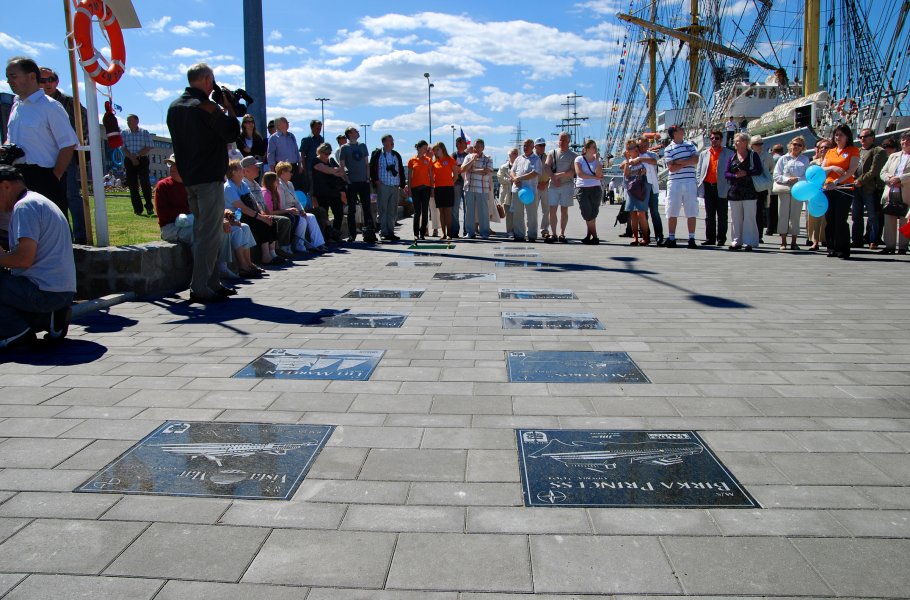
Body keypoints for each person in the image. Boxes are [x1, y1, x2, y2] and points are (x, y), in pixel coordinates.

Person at [167, 62, 240, 304]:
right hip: (209, 176)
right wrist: (228, 107)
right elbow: (231, 132)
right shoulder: (206, 106)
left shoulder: (174, 107)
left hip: (190, 177)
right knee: (210, 233)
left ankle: (211, 282)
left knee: (203, 230)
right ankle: (201, 287)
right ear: (208, 80)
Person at [0, 165, 75, 349]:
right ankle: (50, 318)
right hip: (60, 290)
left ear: (5, 186)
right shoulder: (38, 201)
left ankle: (16, 332)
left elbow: (24, 259)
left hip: (44, 292)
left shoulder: (24, 208)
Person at [154, 154, 253, 280]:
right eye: (170, 165)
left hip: (193, 221)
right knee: (200, 232)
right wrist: (192, 212)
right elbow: (164, 214)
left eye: (176, 165)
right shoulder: (163, 186)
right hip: (171, 227)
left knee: (223, 229)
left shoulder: (193, 186)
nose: (172, 168)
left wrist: (222, 216)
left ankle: (222, 268)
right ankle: (202, 276)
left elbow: (207, 206)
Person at [4, 56, 77, 220]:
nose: (9, 81)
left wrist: (54, 176)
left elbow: (68, 144)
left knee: (50, 225)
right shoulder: (16, 106)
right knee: (25, 226)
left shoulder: (49, 106)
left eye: (13, 76)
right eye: (7, 77)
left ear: (31, 77)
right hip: (18, 176)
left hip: (44, 176)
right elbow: (11, 139)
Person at [38, 66, 88, 245]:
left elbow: (85, 122)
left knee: (70, 195)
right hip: (43, 156)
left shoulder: (68, 102)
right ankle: (59, 235)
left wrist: (78, 144)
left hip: (65, 154)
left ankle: (80, 236)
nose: (47, 84)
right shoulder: (33, 103)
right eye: (42, 80)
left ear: (56, 81)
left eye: (50, 79)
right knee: (48, 197)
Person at [224, 159, 282, 267]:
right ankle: (265, 256)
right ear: (233, 172)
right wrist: (260, 217)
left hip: (248, 214)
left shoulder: (243, 184)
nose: (243, 170)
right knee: (260, 222)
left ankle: (273, 253)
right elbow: (242, 207)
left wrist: (262, 214)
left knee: (271, 220)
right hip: (235, 216)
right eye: (240, 168)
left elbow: (253, 201)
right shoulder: (228, 187)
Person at [820, 124, 860, 259]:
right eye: (836, 135)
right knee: (829, 219)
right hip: (828, 188)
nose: (838, 137)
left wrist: (836, 182)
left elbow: (851, 170)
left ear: (847, 136)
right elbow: (822, 169)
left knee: (840, 219)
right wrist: (833, 167)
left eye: (841, 135)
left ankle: (842, 248)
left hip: (844, 188)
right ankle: (831, 247)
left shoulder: (853, 150)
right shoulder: (830, 151)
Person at [243, 157, 293, 259]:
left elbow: (263, 203)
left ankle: (277, 250)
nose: (258, 169)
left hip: (262, 213)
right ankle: (276, 250)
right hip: (253, 215)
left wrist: (267, 214)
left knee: (277, 219)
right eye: (255, 167)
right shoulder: (244, 184)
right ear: (246, 170)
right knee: (282, 220)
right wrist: (264, 215)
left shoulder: (255, 183)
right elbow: (251, 204)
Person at [272, 162, 327, 253]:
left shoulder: (290, 184)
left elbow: (297, 201)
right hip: (287, 210)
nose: (291, 173)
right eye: (289, 171)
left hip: (295, 210)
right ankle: (299, 245)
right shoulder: (279, 185)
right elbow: (281, 204)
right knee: (302, 220)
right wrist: (294, 211)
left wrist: (301, 210)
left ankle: (318, 243)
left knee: (311, 217)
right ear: (282, 172)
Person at [663, 125, 700, 248]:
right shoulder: (669, 149)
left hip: (689, 181)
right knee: (672, 209)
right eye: (679, 129)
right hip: (675, 182)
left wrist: (679, 162)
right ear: (674, 133)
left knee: (691, 209)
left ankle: (692, 238)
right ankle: (672, 237)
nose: (683, 130)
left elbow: (695, 160)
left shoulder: (690, 145)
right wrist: (687, 161)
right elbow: (671, 168)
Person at [724, 132, 762, 251]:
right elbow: (726, 173)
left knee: (749, 217)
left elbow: (758, 170)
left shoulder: (753, 155)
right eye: (735, 141)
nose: (735, 143)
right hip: (735, 190)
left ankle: (749, 241)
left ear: (745, 142)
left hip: (749, 190)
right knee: (736, 217)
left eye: (738, 141)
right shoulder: (732, 157)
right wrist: (735, 176)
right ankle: (736, 240)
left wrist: (746, 173)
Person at [339, 126, 376, 243]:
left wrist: (367, 178)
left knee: (367, 208)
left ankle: (369, 233)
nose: (358, 132)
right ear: (350, 134)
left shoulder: (362, 146)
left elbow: (366, 163)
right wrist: (347, 179)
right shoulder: (344, 148)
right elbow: (342, 165)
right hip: (352, 182)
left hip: (363, 182)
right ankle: (352, 235)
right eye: (356, 131)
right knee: (352, 209)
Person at [696, 131, 733, 246]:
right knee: (709, 215)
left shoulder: (729, 153)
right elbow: (699, 170)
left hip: (721, 186)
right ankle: (710, 238)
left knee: (722, 215)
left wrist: (729, 185)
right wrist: (699, 182)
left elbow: (732, 170)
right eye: (712, 138)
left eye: (717, 138)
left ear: (721, 140)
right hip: (708, 186)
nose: (714, 140)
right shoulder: (704, 154)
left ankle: (721, 238)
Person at [772, 136, 809, 250]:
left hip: (798, 190)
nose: (796, 147)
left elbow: (807, 176)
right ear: (790, 145)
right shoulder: (783, 159)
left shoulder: (805, 160)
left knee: (795, 215)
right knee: (782, 214)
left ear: (803, 147)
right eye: (794, 144)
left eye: (799, 145)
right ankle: (783, 241)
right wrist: (787, 179)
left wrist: (797, 179)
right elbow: (776, 175)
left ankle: (794, 241)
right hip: (785, 189)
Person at [853, 128, 887, 250]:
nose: (862, 139)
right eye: (860, 137)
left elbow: (874, 170)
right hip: (856, 188)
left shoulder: (878, 151)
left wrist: (860, 181)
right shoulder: (857, 151)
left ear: (873, 137)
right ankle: (857, 240)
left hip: (870, 188)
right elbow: (853, 167)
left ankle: (873, 239)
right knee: (856, 216)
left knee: (873, 216)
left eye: (865, 136)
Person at [878, 131, 910, 255]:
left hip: (906, 191)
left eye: (907, 140)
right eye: (903, 140)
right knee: (889, 217)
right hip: (891, 191)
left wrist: (900, 179)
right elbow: (883, 172)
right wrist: (890, 179)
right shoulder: (894, 156)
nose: (905, 142)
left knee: (904, 219)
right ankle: (889, 246)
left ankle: (902, 246)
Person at [369, 134, 406, 242]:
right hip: (383, 185)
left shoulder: (396, 155)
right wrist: (375, 180)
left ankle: (391, 232)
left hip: (394, 185)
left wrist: (402, 183)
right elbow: (372, 167)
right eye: (390, 141)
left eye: (393, 141)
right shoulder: (377, 154)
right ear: (384, 143)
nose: (393, 143)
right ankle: (384, 232)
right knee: (383, 209)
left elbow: (401, 170)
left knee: (393, 210)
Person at [545, 132, 577, 243]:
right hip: (553, 185)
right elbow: (546, 166)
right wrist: (554, 178)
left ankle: (562, 233)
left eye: (563, 140)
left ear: (568, 141)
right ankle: (553, 233)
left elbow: (573, 171)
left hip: (567, 185)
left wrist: (559, 175)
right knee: (552, 210)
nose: (561, 142)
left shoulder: (573, 155)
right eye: (560, 140)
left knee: (564, 210)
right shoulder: (551, 153)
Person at [121, 114, 155, 216]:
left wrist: (137, 155)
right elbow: (122, 147)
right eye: (127, 121)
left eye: (130, 120)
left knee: (145, 183)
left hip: (142, 160)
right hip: (129, 161)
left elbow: (149, 146)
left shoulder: (144, 132)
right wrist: (132, 158)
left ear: (136, 121)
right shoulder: (124, 133)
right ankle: (138, 209)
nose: (128, 122)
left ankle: (149, 206)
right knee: (132, 185)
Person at [312, 143, 347, 239]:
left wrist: (336, 170)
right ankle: (325, 236)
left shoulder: (331, 161)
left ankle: (336, 233)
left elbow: (341, 172)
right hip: (321, 192)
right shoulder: (315, 161)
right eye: (325, 153)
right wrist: (335, 170)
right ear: (320, 152)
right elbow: (326, 170)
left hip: (333, 192)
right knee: (324, 214)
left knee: (339, 213)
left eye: (329, 153)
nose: (327, 155)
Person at [461, 139, 494, 239]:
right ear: (473, 147)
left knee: (483, 211)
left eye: (480, 146)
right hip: (469, 188)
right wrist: (472, 161)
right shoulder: (468, 157)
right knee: (469, 211)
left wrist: (472, 170)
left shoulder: (488, 158)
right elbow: (463, 169)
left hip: (482, 189)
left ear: (483, 148)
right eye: (476, 146)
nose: (477, 149)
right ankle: (470, 232)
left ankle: (484, 232)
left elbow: (486, 171)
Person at [509, 138, 541, 242]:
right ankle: (519, 235)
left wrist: (520, 178)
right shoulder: (518, 158)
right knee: (518, 214)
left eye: (527, 145)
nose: (525, 147)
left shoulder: (536, 159)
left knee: (531, 214)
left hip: (530, 191)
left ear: (533, 147)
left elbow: (535, 173)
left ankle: (532, 236)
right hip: (517, 190)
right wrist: (514, 178)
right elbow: (512, 171)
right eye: (524, 145)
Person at [574, 139, 603, 245]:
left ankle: (588, 236)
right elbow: (580, 174)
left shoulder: (597, 160)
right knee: (586, 212)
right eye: (593, 147)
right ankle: (595, 237)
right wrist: (594, 177)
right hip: (582, 188)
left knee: (592, 213)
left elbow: (599, 174)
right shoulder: (579, 159)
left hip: (595, 189)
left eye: (596, 147)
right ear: (586, 149)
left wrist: (598, 160)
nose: (595, 149)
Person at [637, 137, 664, 246]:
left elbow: (654, 161)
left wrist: (641, 159)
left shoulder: (651, 154)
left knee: (655, 212)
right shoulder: (635, 155)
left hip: (652, 187)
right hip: (640, 188)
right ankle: (645, 235)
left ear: (648, 145)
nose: (643, 148)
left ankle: (659, 236)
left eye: (644, 146)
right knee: (643, 214)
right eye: (640, 146)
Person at [622, 139, 649, 246]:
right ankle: (635, 238)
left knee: (641, 213)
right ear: (628, 151)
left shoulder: (642, 159)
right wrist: (627, 160)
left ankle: (646, 237)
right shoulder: (627, 162)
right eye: (632, 148)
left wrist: (640, 170)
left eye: (636, 147)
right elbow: (626, 174)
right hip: (630, 189)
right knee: (632, 214)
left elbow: (645, 170)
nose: (636, 149)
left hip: (640, 187)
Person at [430, 141, 458, 242]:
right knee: (441, 212)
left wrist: (450, 183)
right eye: (434, 150)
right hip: (438, 189)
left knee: (448, 212)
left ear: (442, 149)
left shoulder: (450, 160)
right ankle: (443, 233)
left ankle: (449, 234)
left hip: (448, 188)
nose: (436, 151)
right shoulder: (434, 163)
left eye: (437, 149)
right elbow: (431, 177)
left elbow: (455, 175)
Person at [806, 139, 831, 250]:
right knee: (813, 217)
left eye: (826, 147)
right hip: (814, 193)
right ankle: (814, 241)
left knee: (825, 219)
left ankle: (825, 239)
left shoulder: (832, 163)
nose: (823, 149)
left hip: (828, 192)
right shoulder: (813, 163)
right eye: (821, 147)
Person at [408, 140, 433, 241]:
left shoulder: (428, 160)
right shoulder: (411, 160)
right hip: (415, 189)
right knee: (417, 212)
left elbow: (431, 176)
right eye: (424, 148)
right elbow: (409, 177)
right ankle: (416, 233)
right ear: (418, 148)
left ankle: (423, 233)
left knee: (425, 211)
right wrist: (409, 189)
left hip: (426, 188)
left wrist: (432, 188)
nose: (425, 150)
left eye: (426, 149)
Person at [266, 116, 301, 187]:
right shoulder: (273, 138)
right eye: (285, 122)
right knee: (283, 188)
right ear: (278, 125)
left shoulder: (291, 136)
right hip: (282, 169)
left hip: (294, 167)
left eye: (287, 122)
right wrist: (273, 171)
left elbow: (296, 151)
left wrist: (300, 165)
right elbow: (271, 155)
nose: (287, 124)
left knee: (295, 188)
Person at [533, 138, 552, 240]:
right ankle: (532, 230)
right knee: (532, 210)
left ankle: (544, 230)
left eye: (543, 145)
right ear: (535, 147)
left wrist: (547, 182)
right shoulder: (531, 157)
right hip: (533, 187)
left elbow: (552, 171)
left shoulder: (548, 157)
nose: (542, 147)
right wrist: (536, 184)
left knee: (546, 210)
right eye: (540, 145)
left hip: (545, 186)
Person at [299, 119, 324, 193]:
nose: (319, 130)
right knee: (311, 189)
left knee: (320, 188)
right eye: (317, 128)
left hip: (321, 168)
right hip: (310, 169)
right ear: (312, 128)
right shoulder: (307, 139)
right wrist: (304, 169)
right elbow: (302, 155)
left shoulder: (321, 139)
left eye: (320, 128)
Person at [451, 136, 469, 238]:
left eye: (463, 143)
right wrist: (463, 167)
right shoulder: (453, 156)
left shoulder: (468, 155)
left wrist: (460, 168)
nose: (462, 145)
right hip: (456, 183)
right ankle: (454, 231)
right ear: (457, 144)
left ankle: (467, 230)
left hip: (466, 183)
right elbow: (453, 168)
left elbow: (469, 168)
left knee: (467, 208)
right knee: (455, 207)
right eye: (460, 143)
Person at [498, 148, 519, 235]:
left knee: (518, 213)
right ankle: (510, 231)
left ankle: (518, 231)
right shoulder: (503, 167)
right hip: (507, 194)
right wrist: (510, 180)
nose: (514, 155)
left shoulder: (520, 166)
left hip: (517, 192)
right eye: (512, 154)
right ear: (509, 155)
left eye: (515, 154)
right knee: (509, 214)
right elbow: (500, 178)